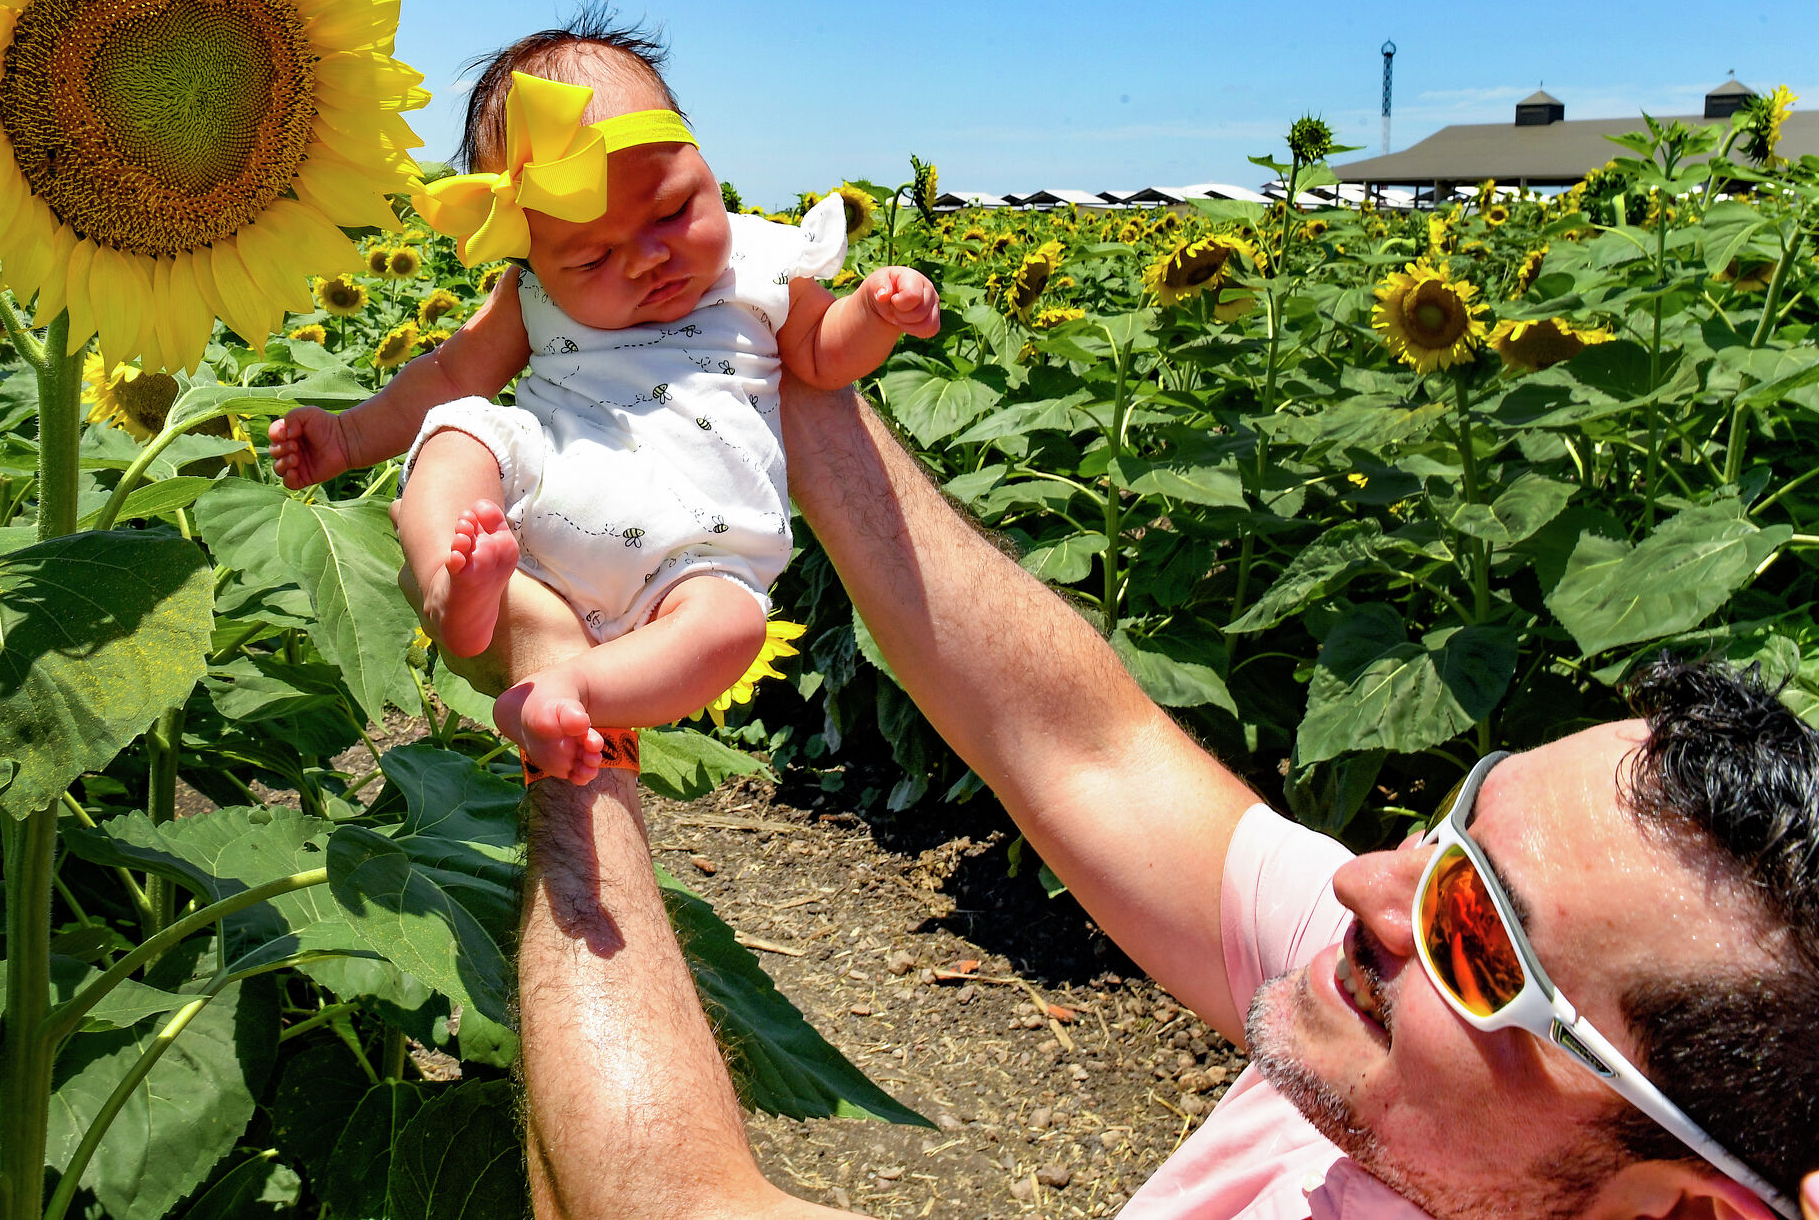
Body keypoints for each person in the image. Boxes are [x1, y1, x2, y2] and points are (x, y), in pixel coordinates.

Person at [460, 379, 1819, 1220]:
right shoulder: (1399, 1050)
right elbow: (1081, 747)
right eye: (1449, 824)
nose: (1362, 886)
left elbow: (651, 1197)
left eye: (1474, 932)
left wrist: (568, 717)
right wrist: (781, 364)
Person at [271, 13, 939, 780]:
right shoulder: (529, 293)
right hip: (542, 500)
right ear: (537, 253)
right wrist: (350, 439)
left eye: (672, 211)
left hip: (697, 550)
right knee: (460, 436)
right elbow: (449, 375)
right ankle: (453, 587)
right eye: (592, 258)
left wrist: (875, 312)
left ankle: (571, 689)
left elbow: (823, 355)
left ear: (703, 161)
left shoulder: (762, 260)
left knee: (732, 628)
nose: (651, 257)